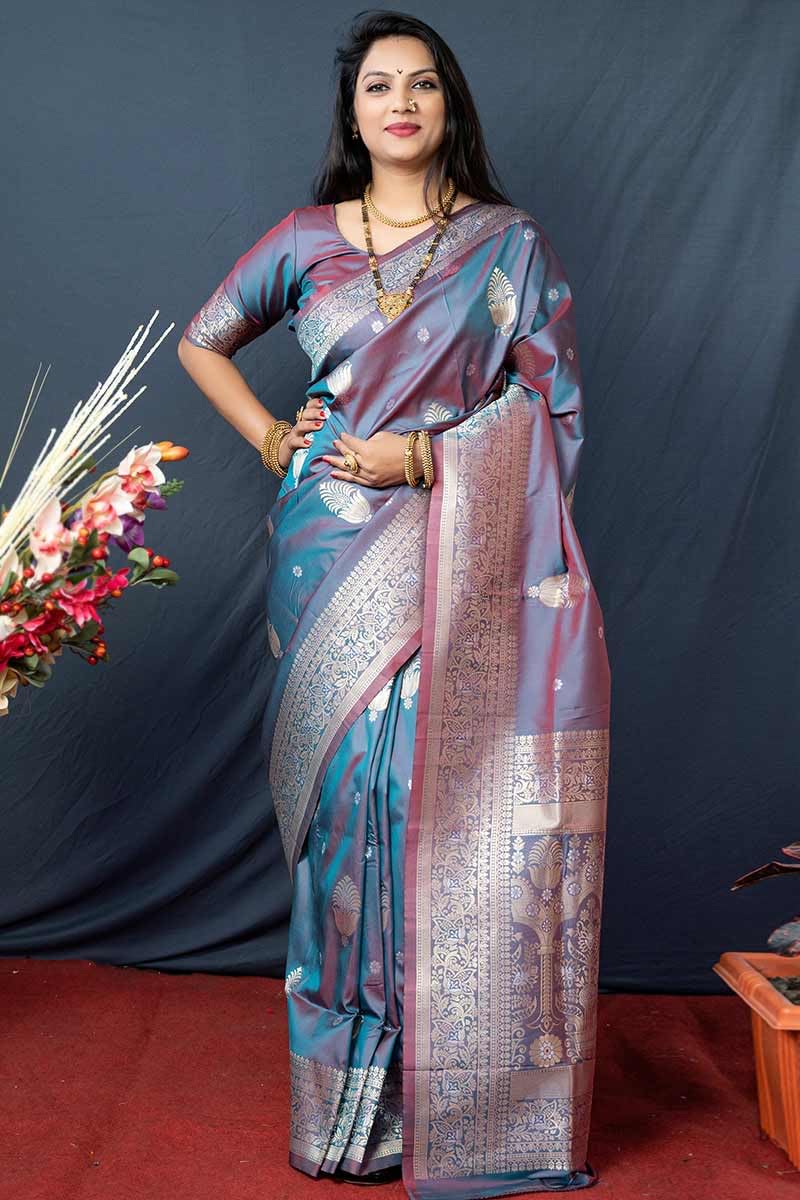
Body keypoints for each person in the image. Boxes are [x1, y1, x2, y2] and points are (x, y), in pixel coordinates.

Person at [177, 10, 611, 1198]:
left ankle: (448, 1108)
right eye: (379, 86)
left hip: (455, 554)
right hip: (324, 556)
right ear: (354, 111)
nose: (401, 103)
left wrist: (423, 458)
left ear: (447, 105)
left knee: (436, 803)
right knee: (341, 820)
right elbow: (204, 342)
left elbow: (553, 407)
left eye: (421, 84)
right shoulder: (305, 239)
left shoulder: (506, 245)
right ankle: (345, 1119)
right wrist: (273, 436)